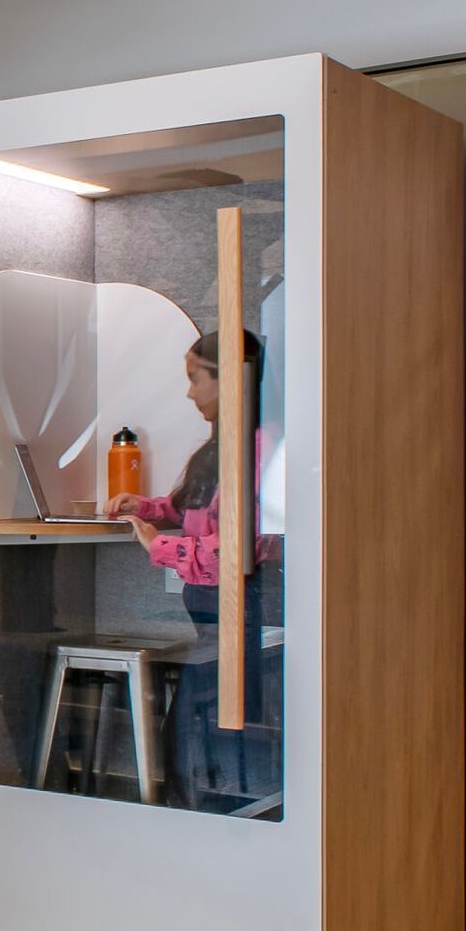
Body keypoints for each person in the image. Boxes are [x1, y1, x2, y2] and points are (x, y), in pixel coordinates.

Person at [106, 329, 279, 814]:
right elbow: (194, 509)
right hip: (211, 617)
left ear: (229, 379)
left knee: (201, 735)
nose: (188, 392)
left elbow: (235, 550)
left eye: (194, 379)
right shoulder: (224, 448)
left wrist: (158, 545)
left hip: (237, 611)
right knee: (192, 731)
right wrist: (144, 506)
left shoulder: (258, 450)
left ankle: (204, 821)